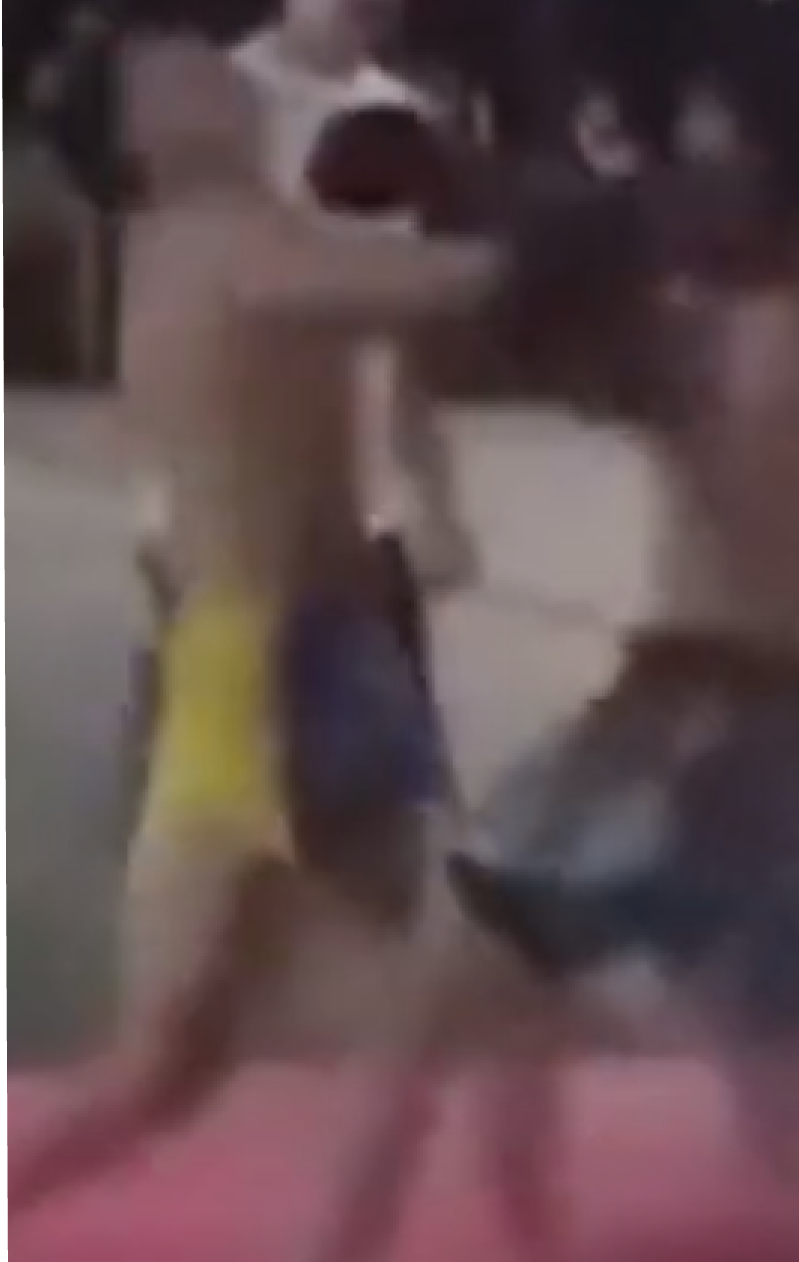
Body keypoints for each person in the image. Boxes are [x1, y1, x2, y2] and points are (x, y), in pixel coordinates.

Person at [290, 62, 799, 1262]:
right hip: (756, 727)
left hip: (692, 714)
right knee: (754, 1078)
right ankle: (526, 1232)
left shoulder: (722, 337)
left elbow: (554, 321)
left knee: (438, 1009)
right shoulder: (727, 324)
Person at [8, 34, 503, 1215]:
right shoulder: (204, 237)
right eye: (178, 69)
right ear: (141, 137)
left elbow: (385, 313)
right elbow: (390, 287)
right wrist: (566, 256)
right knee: (187, 1040)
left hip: (326, 639)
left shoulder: (255, 230)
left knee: (318, 1013)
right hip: (247, 661)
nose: (215, 67)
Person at [214, 0, 482, 687]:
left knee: (392, 746)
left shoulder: (405, 120)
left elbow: (403, 342)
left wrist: (437, 497)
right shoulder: (224, 104)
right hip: (240, 512)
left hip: (366, 513)